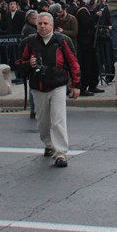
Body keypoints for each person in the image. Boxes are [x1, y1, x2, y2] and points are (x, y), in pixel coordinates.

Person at [14, 12, 80, 167]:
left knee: (58, 120)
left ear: (52, 25)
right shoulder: (28, 42)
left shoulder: (62, 40)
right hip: (38, 87)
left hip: (57, 85)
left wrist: (76, 85)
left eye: (45, 23)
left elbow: (73, 62)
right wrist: (28, 64)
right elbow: (18, 64)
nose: (43, 26)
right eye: (40, 24)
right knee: (43, 122)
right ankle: (49, 144)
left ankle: (60, 154)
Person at [75, 0, 103, 95]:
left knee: (94, 66)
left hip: (91, 43)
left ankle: (93, 85)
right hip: (85, 44)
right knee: (86, 67)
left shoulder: (87, 11)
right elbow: (87, 24)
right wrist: (96, 16)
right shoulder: (83, 11)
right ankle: (83, 88)